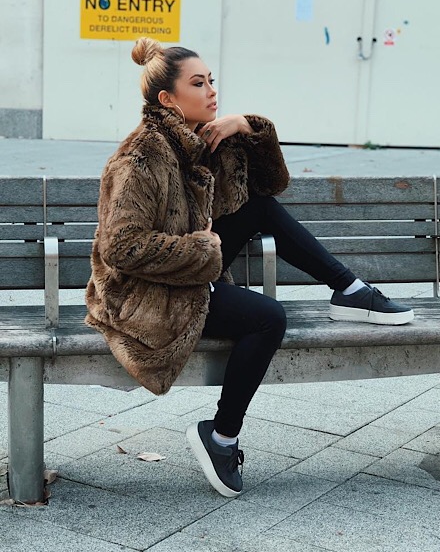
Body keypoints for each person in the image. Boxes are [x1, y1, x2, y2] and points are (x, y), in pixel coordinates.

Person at [85, 37, 414, 499]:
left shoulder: (199, 141)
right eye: (198, 84)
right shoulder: (141, 158)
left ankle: (350, 290)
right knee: (268, 317)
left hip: (186, 271)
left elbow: (271, 184)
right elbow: (121, 247)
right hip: (146, 296)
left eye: (211, 80)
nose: (211, 91)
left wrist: (247, 127)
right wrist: (202, 249)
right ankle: (221, 438)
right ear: (167, 99)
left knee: (259, 207)